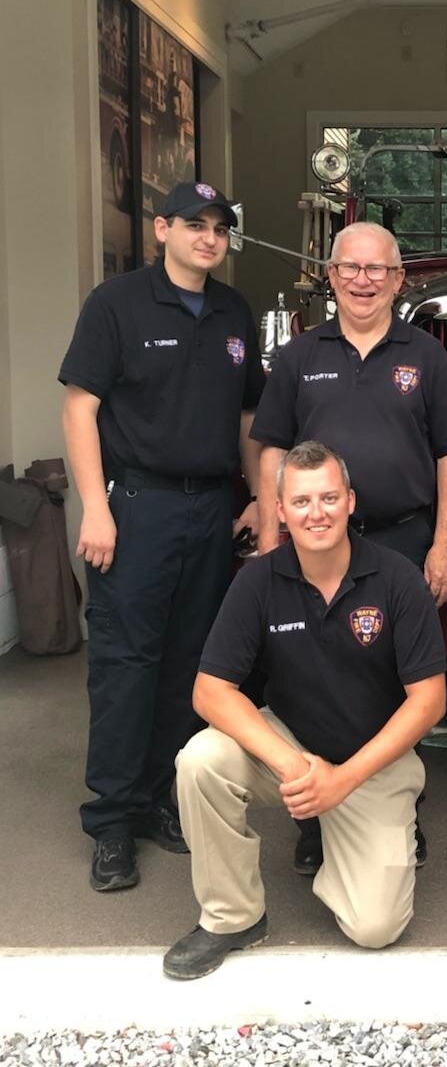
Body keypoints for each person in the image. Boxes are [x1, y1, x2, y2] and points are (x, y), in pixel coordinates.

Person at [163, 441, 447, 980]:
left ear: (351, 502)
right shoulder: (257, 580)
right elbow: (210, 690)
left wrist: (340, 782)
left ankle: (347, 842)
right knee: (200, 760)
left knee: (375, 928)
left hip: (374, 764)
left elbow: (430, 699)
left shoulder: (396, 578)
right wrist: (298, 770)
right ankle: (233, 917)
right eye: (301, 502)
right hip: (292, 747)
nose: (316, 513)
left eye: (329, 498)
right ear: (280, 510)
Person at [251, 220, 447, 871]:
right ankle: (314, 821)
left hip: (400, 541)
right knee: (307, 679)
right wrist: (271, 539)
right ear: (330, 275)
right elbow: (271, 448)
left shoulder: (426, 355)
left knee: (396, 682)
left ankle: (398, 809)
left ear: (399, 280)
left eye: (377, 269)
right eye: (350, 267)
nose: (363, 280)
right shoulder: (299, 356)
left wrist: (442, 545)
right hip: (312, 544)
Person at [59, 180, 264, 893]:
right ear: (162, 229)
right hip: (135, 508)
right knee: (125, 666)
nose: (208, 238)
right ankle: (113, 822)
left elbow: (246, 420)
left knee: (189, 666)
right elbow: (80, 409)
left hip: (210, 511)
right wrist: (95, 507)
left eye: (218, 228)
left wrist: (260, 500)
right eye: (194, 225)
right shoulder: (116, 304)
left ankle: (163, 805)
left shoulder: (236, 311)